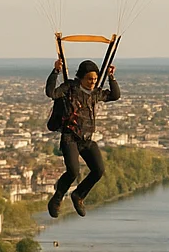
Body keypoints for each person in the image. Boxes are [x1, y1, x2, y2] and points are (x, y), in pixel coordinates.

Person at [45, 58, 121, 218]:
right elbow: (51, 93)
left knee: (98, 170)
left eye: (95, 79)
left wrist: (111, 77)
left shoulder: (95, 93)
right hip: (70, 138)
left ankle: (79, 195)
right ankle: (57, 198)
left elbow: (115, 95)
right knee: (73, 171)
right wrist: (55, 71)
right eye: (89, 79)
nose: (93, 82)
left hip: (86, 139)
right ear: (81, 77)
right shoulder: (70, 88)